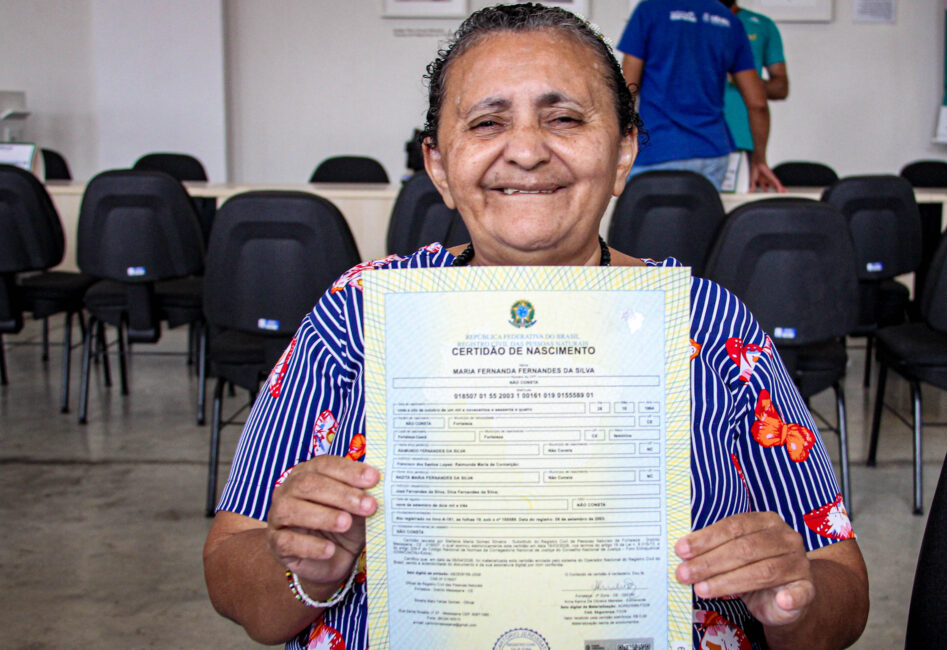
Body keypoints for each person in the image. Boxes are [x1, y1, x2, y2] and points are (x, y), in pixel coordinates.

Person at [202, 4, 867, 649]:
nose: (525, 150)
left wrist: (790, 594)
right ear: (438, 164)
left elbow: (842, 587)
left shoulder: (711, 326)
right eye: (487, 122)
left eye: (566, 118)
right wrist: (307, 569)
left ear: (625, 151)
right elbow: (237, 579)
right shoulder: (358, 317)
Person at [617, 0, 784, 192]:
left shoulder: (650, 10)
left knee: (648, 220)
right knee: (701, 220)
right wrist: (759, 159)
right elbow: (758, 104)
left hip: (656, 148)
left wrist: (619, 147)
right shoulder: (728, 19)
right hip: (712, 152)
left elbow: (627, 91)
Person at [720, 0, 788, 155]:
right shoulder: (687, 21)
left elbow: (781, 88)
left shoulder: (761, 25)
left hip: (744, 139)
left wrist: (745, 80)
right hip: (695, 137)